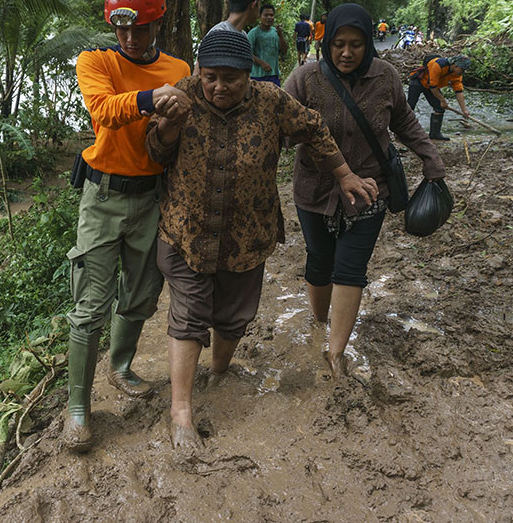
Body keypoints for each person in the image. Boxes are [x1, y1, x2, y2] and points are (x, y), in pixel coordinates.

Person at [146, 29, 376, 448]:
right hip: (187, 232)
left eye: (230, 78)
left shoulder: (271, 101)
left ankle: (218, 371)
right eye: (210, 76)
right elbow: (157, 155)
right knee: (189, 312)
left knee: (235, 315)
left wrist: (343, 175)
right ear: (199, 71)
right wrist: (167, 128)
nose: (218, 86)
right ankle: (181, 412)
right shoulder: (181, 94)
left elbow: (314, 127)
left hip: (246, 235)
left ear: (248, 73)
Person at [63, 0, 191, 453]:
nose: (132, 38)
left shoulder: (178, 69)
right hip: (102, 198)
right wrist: (150, 98)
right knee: (90, 304)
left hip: (153, 197)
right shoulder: (95, 61)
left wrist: (173, 116)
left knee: (141, 293)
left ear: (158, 23)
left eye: (142, 28)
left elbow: (177, 137)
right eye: (123, 29)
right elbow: (103, 110)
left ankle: (119, 367)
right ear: (111, 25)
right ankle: (78, 408)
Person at [283, 3, 445, 377]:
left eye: (356, 44)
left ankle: (335, 353)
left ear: (368, 43)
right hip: (315, 190)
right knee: (319, 261)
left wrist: (430, 157)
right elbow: (278, 120)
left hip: (370, 191)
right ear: (327, 43)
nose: (346, 52)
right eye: (338, 43)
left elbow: (405, 122)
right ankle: (320, 321)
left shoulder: (385, 77)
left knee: (350, 269)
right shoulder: (306, 78)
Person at [194, 0, 263, 75]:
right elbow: (198, 75)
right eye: (259, 5)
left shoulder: (243, 36)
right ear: (253, 5)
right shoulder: (218, 34)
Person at [407, 54, 471, 141]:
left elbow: (458, 91)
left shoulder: (457, 74)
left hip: (432, 86)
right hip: (419, 81)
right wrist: (442, 100)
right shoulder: (438, 65)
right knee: (410, 107)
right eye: (462, 69)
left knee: (439, 108)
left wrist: (464, 109)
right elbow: (432, 85)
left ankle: (435, 134)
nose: (463, 72)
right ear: (455, 65)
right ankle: (404, 132)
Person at [247, 3, 288, 86]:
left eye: (271, 15)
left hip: (273, 75)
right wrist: (261, 63)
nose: (269, 17)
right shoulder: (253, 33)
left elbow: (284, 51)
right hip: (257, 76)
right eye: (266, 15)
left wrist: (280, 36)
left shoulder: (276, 32)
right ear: (260, 16)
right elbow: (247, 53)